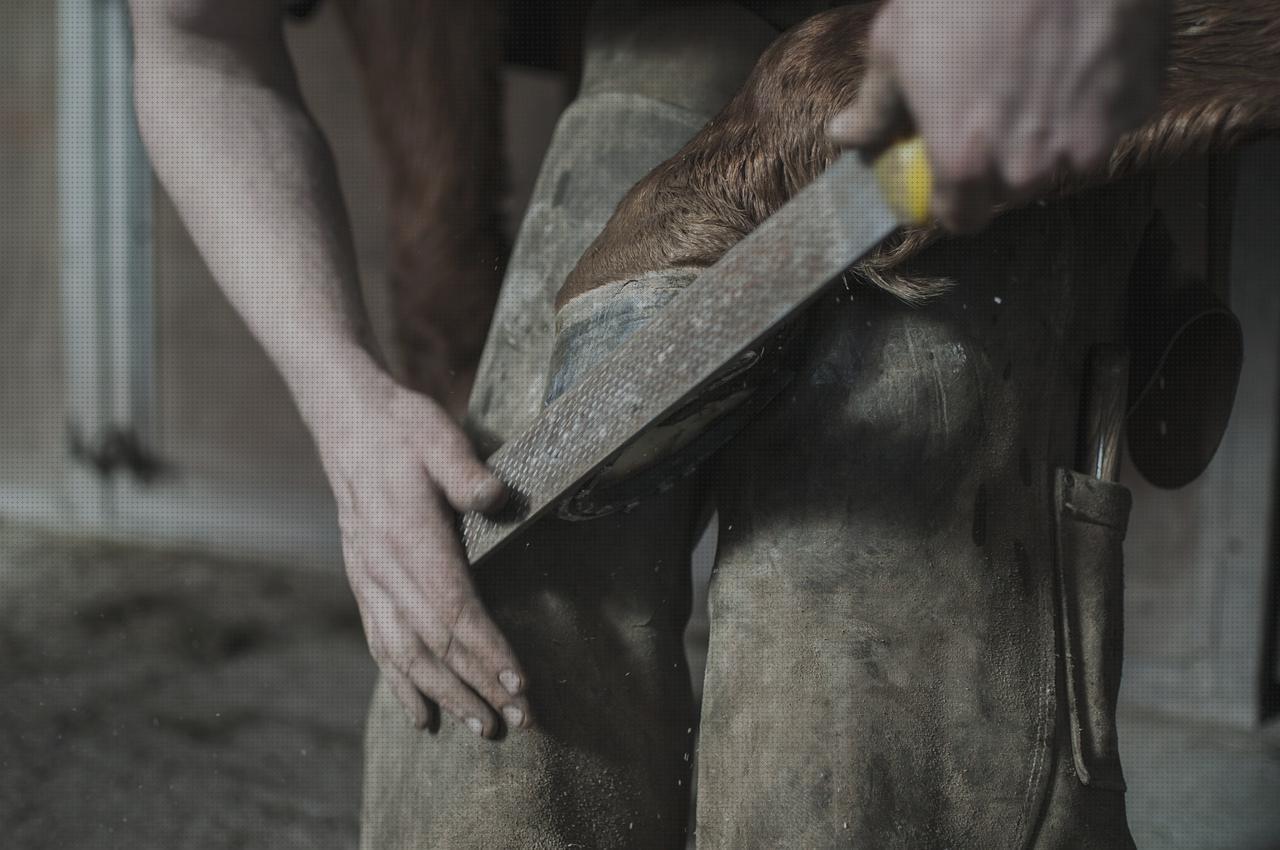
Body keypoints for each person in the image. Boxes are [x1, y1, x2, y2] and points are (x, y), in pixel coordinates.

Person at [128, 0, 1210, 845]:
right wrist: (342, 400)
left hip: (1005, 64)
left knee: (863, 734)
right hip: (677, 33)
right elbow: (199, 51)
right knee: (486, 670)